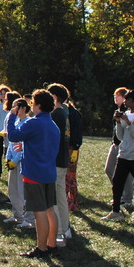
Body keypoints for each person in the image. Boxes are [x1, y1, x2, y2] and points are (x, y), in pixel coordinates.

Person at [6, 89, 61, 258]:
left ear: (38, 105)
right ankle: (52, 243)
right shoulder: (53, 125)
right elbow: (42, 144)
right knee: (50, 209)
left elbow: (13, 135)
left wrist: (12, 115)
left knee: (39, 212)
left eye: (32, 103)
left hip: (34, 173)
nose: (30, 106)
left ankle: (41, 248)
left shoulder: (34, 123)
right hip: (48, 172)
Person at [102, 89, 134, 221]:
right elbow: (121, 136)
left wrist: (128, 123)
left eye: (127, 100)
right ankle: (116, 210)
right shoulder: (125, 114)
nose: (125, 102)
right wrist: (119, 122)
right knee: (117, 183)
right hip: (123, 154)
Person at [47, 83, 73, 243]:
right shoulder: (63, 113)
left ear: (54, 97)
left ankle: (57, 232)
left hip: (56, 160)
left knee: (54, 198)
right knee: (61, 196)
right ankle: (66, 228)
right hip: (62, 159)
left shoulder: (56, 114)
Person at [105, 87, 134, 210]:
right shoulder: (118, 110)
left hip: (125, 146)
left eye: (118, 96)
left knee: (126, 174)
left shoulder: (129, 112)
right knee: (109, 169)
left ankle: (127, 198)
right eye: (114, 95)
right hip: (116, 144)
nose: (115, 98)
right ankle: (120, 192)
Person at [3, 98, 31, 227]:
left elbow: (23, 145)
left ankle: (27, 218)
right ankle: (17, 215)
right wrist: (8, 157)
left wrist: (15, 160)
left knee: (21, 191)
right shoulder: (16, 122)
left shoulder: (28, 122)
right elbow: (11, 142)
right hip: (13, 162)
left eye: (16, 107)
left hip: (22, 162)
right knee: (12, 189)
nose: (13, 110)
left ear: (23, 108)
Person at [65, 98, 84, 212]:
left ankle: (72, 202)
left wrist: (76, 148)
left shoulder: (73, 114)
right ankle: (67, 200)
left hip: (72, 148)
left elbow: (77, 133)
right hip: (65, 148)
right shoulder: (64, 112)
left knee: (71, 176)